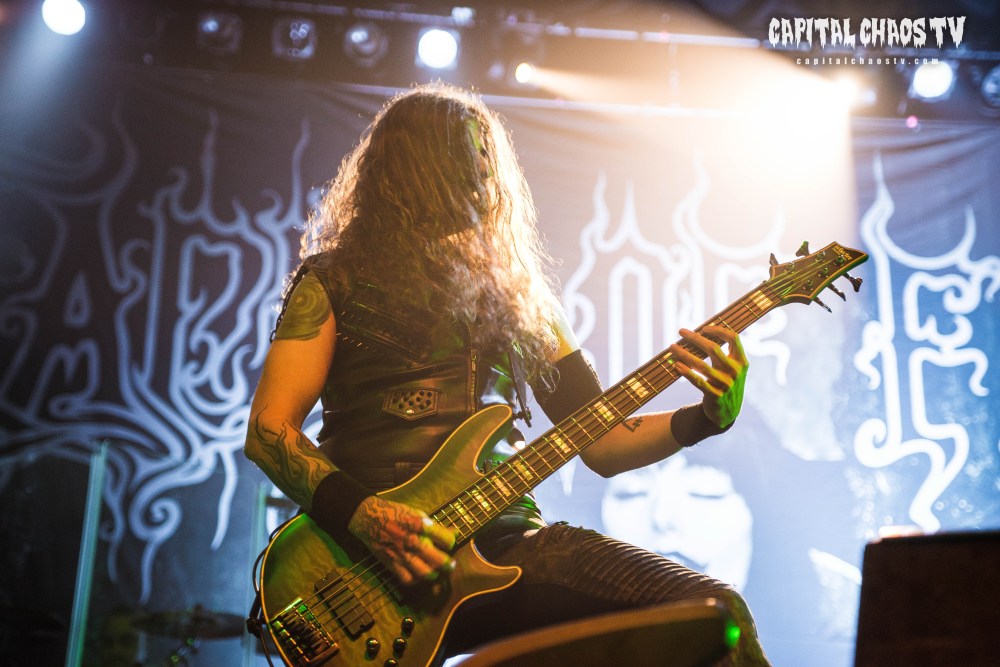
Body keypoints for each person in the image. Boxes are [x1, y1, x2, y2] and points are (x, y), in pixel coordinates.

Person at [244, 82, 769, 665]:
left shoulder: (521, 297)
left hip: (508, 547)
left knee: (713, 614)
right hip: (369, 564)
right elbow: (268, 431)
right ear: (419, 164)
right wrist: (369, 518)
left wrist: (705, 418)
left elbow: (603, 443)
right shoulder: (332, 280)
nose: (487, 171)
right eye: (470, 151)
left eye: (488, 154)